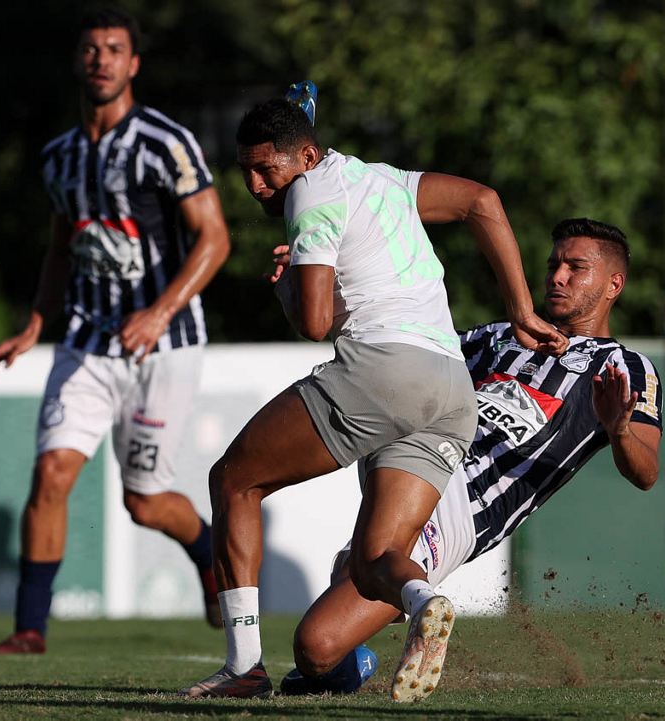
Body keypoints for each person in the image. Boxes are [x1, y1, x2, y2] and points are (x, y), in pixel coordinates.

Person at [182, 97, 566, 702]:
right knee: (375, 558)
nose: (256, 185)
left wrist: (288, 286)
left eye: (267, 169)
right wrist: (521, 309)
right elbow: (482, 201)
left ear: (307, 157)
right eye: (245, 171)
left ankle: (244, 667)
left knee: (233, 480)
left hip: (385, 371)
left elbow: (314, 323)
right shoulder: (382, 177)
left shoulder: (309, 192)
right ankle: (423, 600)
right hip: (451, 389)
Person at [278, 217, 662, 696]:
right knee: (349, 576)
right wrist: (310, 289)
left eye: (575, 267)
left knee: (316, 644)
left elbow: (646, 472)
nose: (557, 277)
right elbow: (399, 352)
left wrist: (620, 430)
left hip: (463, 504)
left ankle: (360, 648)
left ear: (613, 284)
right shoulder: (499, 336)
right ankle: (346, 666)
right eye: (553, 265)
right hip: (414, 460)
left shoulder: (625, 367)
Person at [0, 6, 231, 654]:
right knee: (51, 473)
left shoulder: (164, 142)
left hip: (164, 346)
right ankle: (30, 628)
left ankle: (208, 554)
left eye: (114, 49)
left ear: (133, 63)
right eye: (91, 49)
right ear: (78, 60)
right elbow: (61, 248)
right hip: (86, 342)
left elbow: (215, 237)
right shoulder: (59, 157)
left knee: (144, 502)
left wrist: (160, 310)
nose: (101, 59)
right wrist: (35, 324)